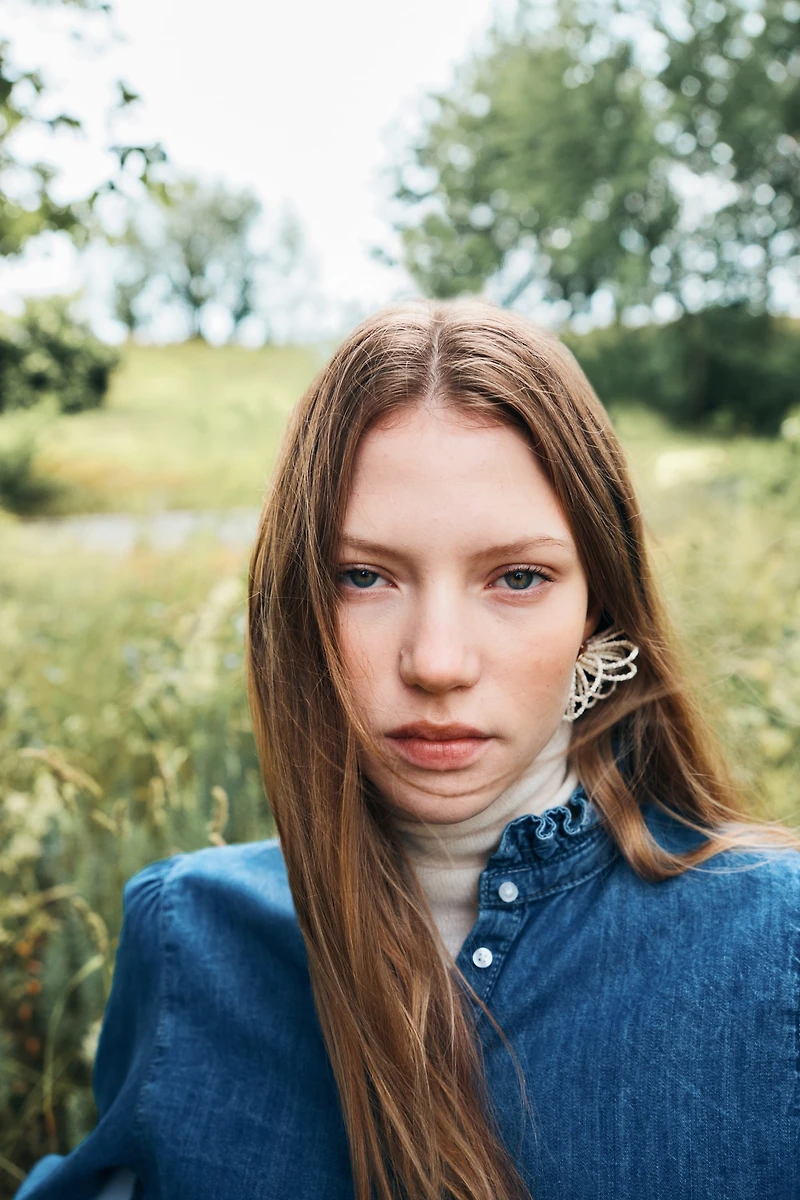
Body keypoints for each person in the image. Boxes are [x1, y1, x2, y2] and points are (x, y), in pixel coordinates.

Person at [15, 299, 800, 1200]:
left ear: (599, 612)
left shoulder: (777, 943)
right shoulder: (190, 937)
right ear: (300, 604)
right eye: (364, 577)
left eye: (517, 578)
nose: (436, 663)